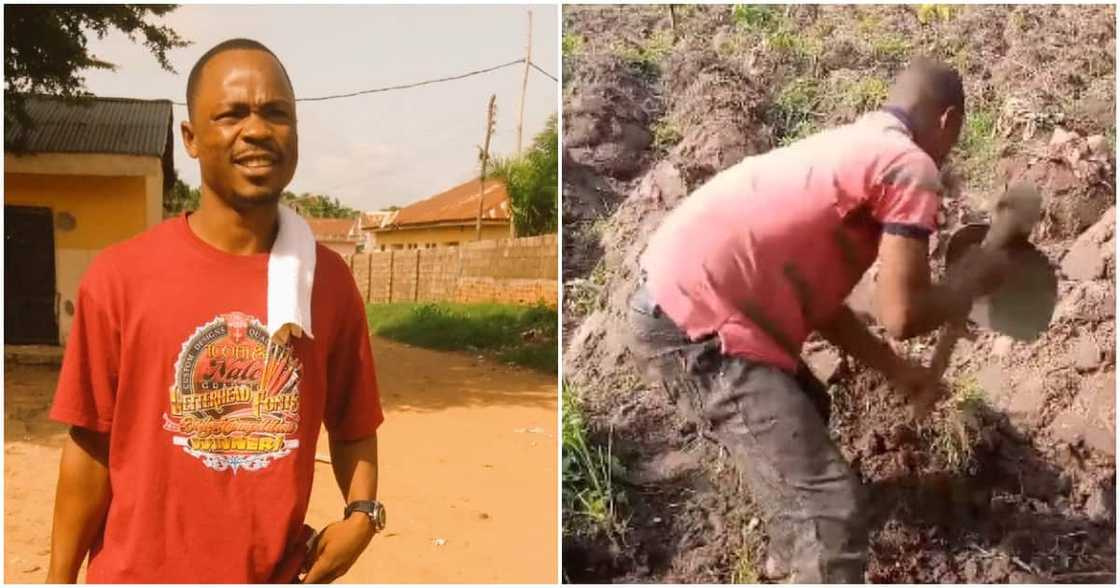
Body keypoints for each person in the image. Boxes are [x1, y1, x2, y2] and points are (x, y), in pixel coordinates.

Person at [628, 57, 1007, 582]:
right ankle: (810, 550)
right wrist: (969, 286)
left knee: (806, 405)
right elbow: (900, 313)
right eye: (955, 137)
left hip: (674, 299)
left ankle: (790, 556)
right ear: (949, 122)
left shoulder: (853, 146)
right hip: (698, 324)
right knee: (829, 514)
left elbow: (823, 305)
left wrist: (896, 370)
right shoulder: (908, 166)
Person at [46, 38, 384, 583]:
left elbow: (354, 423)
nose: (256, 130)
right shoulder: (120, 278)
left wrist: (362, 516)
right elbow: (89, 447)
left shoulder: (327, 283)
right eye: (231, 114)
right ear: (191, 139)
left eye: (276, 113)